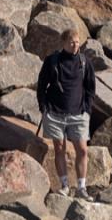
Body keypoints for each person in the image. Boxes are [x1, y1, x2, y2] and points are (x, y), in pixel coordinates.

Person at [37, 25, 98, 199]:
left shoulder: (84, 62)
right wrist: (44, 108)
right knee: (59, 149)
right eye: (72, 42)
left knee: (83, 150)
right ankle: (64, 186)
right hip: (55, 113)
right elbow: (41, 86)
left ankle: (81, 188)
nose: (75, 45)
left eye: (78, 42)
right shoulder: (52, 61)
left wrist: (87, 109)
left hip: (78, 114)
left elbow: (90, 89)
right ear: (63, 42)